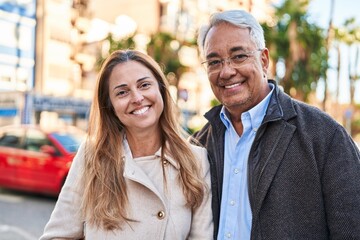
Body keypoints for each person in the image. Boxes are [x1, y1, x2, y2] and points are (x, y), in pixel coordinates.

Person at [192, 9, 360, 239]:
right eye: (214, 61)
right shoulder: (197, 146)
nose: (227, 71)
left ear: (263, 60)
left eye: (239, 56)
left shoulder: (323, 136)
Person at [40, 49, 213, 239]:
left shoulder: (195, 160)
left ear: (161, 90)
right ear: (111, 106)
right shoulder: (92, 156)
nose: (137, 98)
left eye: (144, 85)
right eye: (122, 92)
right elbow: (57, 236)